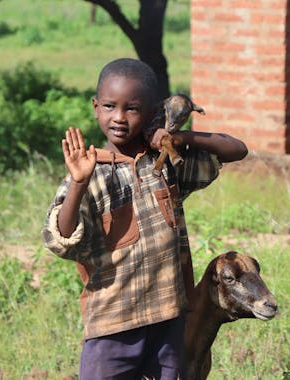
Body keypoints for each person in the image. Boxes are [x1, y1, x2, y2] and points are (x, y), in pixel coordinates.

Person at [42, 58, 247, 380]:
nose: (119, 118)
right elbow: (60, 240)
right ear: (96, 107)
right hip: (112, 327)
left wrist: (182, 139)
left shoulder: (164, 166)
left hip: (168, 321)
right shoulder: (89, 173)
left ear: (152, 113)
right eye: (109, 106)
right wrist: (79, 183)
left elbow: (236, 149)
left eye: (132, 109)